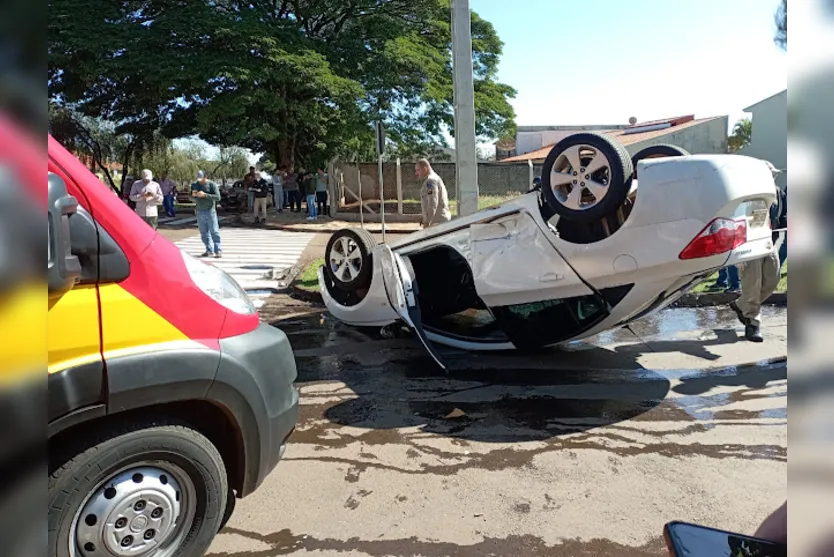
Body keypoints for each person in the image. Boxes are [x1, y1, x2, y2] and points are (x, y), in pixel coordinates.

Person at [730, 186, 782, 342]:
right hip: (748, 243)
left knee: (773, 278)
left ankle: (741, 304)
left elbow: (781, 213)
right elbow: (733, 220)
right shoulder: (744, 193)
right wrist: (737, 254)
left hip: (768, 242)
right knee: (752, 283)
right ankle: (752, 323)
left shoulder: (776, 191)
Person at [191, 170, 223, 258]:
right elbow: (190, 197)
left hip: (210, 211)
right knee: (203, 232)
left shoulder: (212, 185)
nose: (200, 181)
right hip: (200, 211)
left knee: (214, 231)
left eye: (201, 179)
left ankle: (218, 250)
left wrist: (205, 195)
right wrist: (193, 196)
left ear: (205, 177)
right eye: (198, 179)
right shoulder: (195, 185)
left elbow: (218, 197)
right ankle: (208, 249)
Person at [416, 158, 451, 228]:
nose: (416, 173)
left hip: (437, 222)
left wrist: (427, 222)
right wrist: (424, 217)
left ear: (425, 169)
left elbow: (433, 203)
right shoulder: (434, 178)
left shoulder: (431, 181)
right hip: (438, 220)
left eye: (418, 170)